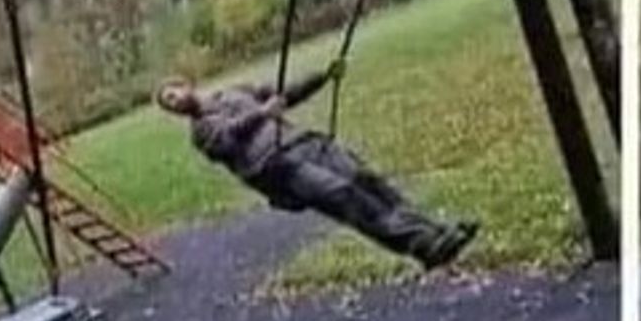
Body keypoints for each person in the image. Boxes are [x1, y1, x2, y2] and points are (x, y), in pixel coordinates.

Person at [156, 62, 477, 272]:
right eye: (169, 102)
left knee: (366, 180)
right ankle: (422, 247)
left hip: (304, 141)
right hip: (278, 169)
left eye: (174, 92)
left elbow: (285, 94)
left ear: (186, 84)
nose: (175, 100)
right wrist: (264, 114)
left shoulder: (235, 91)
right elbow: (228, 139)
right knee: (344, 195)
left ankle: (436, 232)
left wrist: (322, 77)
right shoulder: (200, 133)